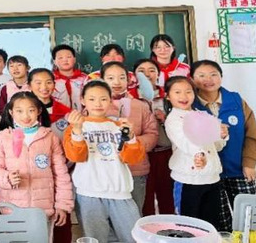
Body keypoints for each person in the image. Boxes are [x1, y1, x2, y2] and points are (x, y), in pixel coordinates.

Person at [64, 80, 145, 243]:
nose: (98, 104)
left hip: (120, 191)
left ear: (110, 100)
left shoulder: (119, 125)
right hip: (89, 192)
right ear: (82, 100)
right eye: (92, 99)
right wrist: (77, 131)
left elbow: (133, 158)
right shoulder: (75, 126)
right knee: (95, 238)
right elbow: (76, 157)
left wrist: (130, 137)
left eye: (103, 99)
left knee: (133, 237)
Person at [0, 92, 74, 242]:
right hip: (12, 210)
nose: (25, 116)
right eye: (19, 111)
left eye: (31, 110)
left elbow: (61, 174)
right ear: (11, 112)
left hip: (43, 210)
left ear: (39, 111)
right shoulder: (3, 137)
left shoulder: (49, 137)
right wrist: (7, 178)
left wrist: (63, 205)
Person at [191, 60, 256, 232]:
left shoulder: (236, 100)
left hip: (239, 169)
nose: (208, 79)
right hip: (210, 174)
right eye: (201, 75)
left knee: (249, 217)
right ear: (193, 79)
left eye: (213, 74)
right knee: (220, 221)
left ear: (221, 77)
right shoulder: (191, 106)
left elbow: (252, 134)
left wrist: (249, 163)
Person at [164, 76, 227, 230]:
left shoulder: (202, 114)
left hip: (211, 177)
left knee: (211, 226)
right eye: (177, 92)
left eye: (188, 91)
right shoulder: (173, 120)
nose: (183, 96)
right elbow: (185, 142)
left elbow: (216, 146)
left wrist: (222, 135)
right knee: (188, 227)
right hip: (188, 179)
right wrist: (200, 154)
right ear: (168, 96)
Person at [100, 61, 158, 214]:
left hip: (135, 169)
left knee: (133, 214)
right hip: (105, 171)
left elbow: (152, 135)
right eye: (110, 78)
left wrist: (133, 143)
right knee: (108, 217)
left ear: (128, 80)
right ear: (102, 80)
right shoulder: (95, 106)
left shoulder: (140, 106)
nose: (117, 82)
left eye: (121, 77)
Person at [133, 59, 174, 216]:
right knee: (145, 198)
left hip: (165, 152)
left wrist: (165, 120)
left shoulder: (169, 96)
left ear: (158, 74)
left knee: (167, 195)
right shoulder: (130, 99)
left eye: (151, 70)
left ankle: (169, 227)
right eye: (141, 71)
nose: (147, 74)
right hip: (142, 154)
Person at [51, 44, 87, 112]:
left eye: (68, 57)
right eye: (60, 58)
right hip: (56, 117)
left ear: (74, 59)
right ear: (54, 62)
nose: (65, 60)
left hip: (81, 116)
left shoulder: (85, 78)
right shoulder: (50, 79)